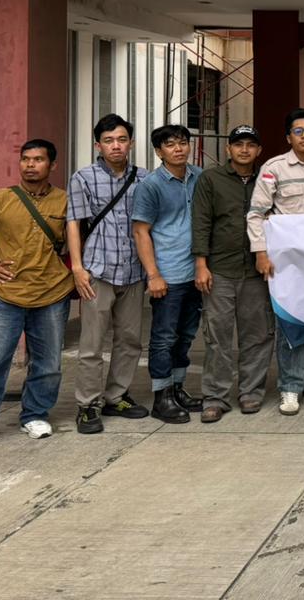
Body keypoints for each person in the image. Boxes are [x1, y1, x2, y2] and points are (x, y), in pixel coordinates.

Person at [0, 140, 74, 456]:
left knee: (48, 364)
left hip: (53, 293)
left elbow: (77, 240)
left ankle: (35, 414)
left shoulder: (66, 201)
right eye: (25, 159)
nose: (30, 165)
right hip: (7, 295)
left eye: (38, 159)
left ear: (52, 165)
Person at [248, 108, 304, 415]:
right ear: (288, 137)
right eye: (298, 131)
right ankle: (290, 386)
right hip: (285, 261)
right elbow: (256, 214)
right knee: (289, 320)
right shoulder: (274, 168)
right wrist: (261, 252)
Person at [68, 114, 150, 434]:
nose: (116, 146)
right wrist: (78, 268)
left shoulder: (144, 179)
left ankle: (116, 396)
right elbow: (73, 223)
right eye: (108, 140)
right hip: (97, 270)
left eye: (122, 139)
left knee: (129, 340)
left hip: (133, 270)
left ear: (131, 143)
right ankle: (88, 404)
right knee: (92, 343)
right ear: (98, 145)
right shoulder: (83, 178)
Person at [192, 124, 275, 422]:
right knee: (218, 337)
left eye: (250, 145)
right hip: (220, 270)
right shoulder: (210, 179)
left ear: (259, 150)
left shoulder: (268, 179)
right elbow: (201, 222)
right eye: (238, 144)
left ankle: (251, 392)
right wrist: (201, 264)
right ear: (228, 149)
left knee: (258, 335)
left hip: (257, 271)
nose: (244, 150)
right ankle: (216, 397)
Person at [132, 124, 203, 424]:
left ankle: (177, 388)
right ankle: (161, 397)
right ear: (159, 151)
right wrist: (153, 274)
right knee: (163, 337)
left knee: (186, 335)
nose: (178, 149)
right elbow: (141, 231)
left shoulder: (200, 177)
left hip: (195, 271)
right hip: (167, 273)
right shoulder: (150, 185)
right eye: (171, 144)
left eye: (183, 143)